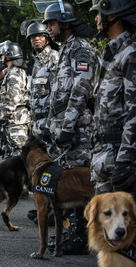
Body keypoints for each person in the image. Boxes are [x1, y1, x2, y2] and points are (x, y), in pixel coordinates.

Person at [43, 1, 98, 254]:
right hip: (63, 131)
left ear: (65, 23)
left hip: (77, 130)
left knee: (80, 183)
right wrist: (50, 127)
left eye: (52, 23)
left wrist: (66, 127)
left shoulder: (80, 49)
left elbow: (81, 89)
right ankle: (72, 235)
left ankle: (82, 237)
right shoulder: (64, 50)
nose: (48, 28)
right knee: (67, 182)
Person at [89, 0, 136, 200]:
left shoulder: (130, 54)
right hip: (105, 154)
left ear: (113, 14)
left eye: (99, 13)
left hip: (120, 155)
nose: (96, 19)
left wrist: (126, 158)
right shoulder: (112, 53)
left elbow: (134, 111)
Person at [26, 21, 59, 140]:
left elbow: (58, 94)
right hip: (37, 123)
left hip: (51, 123)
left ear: (48, 39)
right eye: (33, 37)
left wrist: (52, 124)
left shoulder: (54, 57)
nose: (36, 39)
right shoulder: (37, 63)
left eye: (40, 36)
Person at [0, 42, 30, 158]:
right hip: (14, 120)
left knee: (18, 154)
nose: (1, 57)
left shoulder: (14, 73)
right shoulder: (12, 72)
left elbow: (12, 98)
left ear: (8, 55)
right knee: (12, 154)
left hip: (15, 121)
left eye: (3, 55)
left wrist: (3, 118)